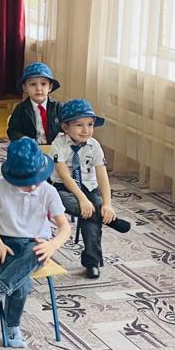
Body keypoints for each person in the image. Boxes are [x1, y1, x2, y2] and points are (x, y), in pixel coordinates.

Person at [0, 137, 71, 348]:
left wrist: (52, 245)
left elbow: (65, 228)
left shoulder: (48, 191)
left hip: (36, 244)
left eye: (35, 180)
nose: (31, 186)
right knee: (20, 287)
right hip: (6, 243)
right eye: (25, 182)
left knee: (35, 251)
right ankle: (12, 326)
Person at [50, 99, 131, 279]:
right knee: (86, 209)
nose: (85, 130)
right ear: (65, 127)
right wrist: (83, 200)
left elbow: (102, 177)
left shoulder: (94, 145)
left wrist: (107, 204)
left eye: (90, 124)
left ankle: (92, 262)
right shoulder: (58, 145)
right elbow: (65, 176)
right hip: (63, 188)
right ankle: (108, 220)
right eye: (79, 125)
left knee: (91, 214)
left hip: (89, 187)